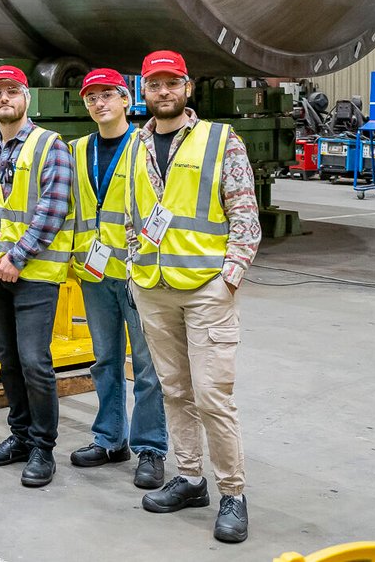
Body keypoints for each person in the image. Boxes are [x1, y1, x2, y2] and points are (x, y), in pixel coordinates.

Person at [127, 50, 260, 544]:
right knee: (174, 391)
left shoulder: (220, 140)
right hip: (153, 288)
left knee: (212, 396)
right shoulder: (138, 145)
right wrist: (132, 271)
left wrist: (230, 276)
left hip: (206, 289)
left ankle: (233, 492)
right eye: (154, 84)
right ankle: (188, 478)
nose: (163, 92)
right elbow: (130, 217)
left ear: (187, 88)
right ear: (144, 89)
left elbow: (245, 213)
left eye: (171, 83)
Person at [0, 64, 74, 488]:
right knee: (7, 359)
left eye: (12, 91)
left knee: (34, 362)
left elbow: (53, 209)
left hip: (35, 275)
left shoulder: (51, 147)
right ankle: (21, 436)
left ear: (26, 97)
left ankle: (43, 447)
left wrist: (17, 257)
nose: (3, 99)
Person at [65, 68, 168, 488]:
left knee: (146, 366)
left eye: (108, 95)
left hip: (137, 273)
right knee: (105, 360)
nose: (99, 103)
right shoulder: (76, 150)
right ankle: (110, 439)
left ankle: (151, 448)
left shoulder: (145, 148)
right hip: (94, 273)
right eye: (92, 98)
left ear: (127, 100)